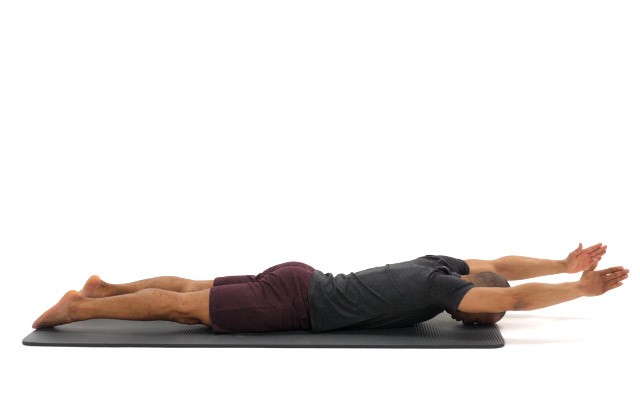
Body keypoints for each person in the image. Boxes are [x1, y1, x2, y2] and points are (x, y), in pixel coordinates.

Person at [32, 242, 628, 333]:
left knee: (194, 284)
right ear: (469, 302)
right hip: (295, 303)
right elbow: (513, 296)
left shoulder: (442, 264)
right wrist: (581, 290)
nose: (466, 316)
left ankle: (105, 289)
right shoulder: (445, 292)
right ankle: (77, 309)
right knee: (186, 309)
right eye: (477, 312)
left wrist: (560, 261)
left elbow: (502, 267)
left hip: (302, 276)